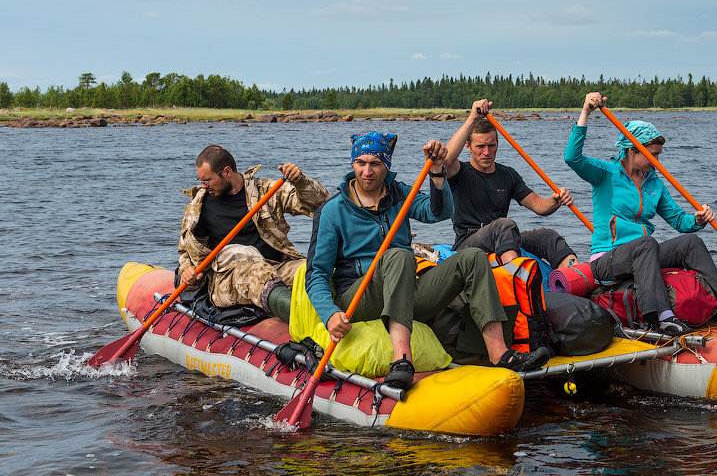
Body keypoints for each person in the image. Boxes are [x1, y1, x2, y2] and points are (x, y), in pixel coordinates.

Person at [306, 132, 550, 390]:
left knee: (473, 258)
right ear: (352, 164)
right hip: (360, 296)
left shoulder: (398, 194)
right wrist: (330, 314)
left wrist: (436, 173)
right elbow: (317, 274)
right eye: (361, 163)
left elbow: (439, 212)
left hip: (405, 290)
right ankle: (402, 360)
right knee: (399, 254)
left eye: (375, 164)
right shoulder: (332, 211)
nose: (367, 171)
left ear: (386, 165)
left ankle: (500, 354)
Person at [564, 92, 717, 336]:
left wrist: (698, 220)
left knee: (690, 242)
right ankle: (661, 317)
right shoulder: (605, 174)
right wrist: (585, 112)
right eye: (653, 155)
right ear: (631, 150)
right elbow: (572, 158)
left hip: (644, 257)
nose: (657, 161)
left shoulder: (655, 183)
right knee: (646, 243)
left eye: (659, 155)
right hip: (607, 262)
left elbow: (680, 221)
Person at [178, 145, 330, 322]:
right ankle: (307, 320)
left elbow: (320, 204)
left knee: (311, 270)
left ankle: (343, 314)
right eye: (201, 180)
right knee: (258, 271)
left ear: (227, 172)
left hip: (275, 266)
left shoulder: (266, 190)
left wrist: (301, 182)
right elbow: (185, 253)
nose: (204, 186)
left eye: (208, 180)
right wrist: (186, 272)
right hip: (227, 277)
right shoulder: (197, 209)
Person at [442, 99, 579, 269]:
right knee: (505, 224)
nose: (487, 152)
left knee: (547, 236)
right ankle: (516, 279)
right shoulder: (459, 172)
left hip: (504, 236)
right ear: (468, 147)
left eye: (491, 146)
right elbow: (446, 160)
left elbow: (538, 205)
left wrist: (556, 200)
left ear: (497, 145)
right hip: (468, 244)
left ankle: (575, 278)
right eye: (480, 146)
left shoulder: (508, 175)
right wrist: (472, 118)